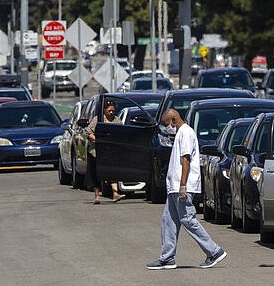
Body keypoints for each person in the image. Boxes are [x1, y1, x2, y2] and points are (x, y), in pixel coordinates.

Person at [146, 108, 227, 270]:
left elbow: (186, 160)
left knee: (188, 219)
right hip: (174, 187)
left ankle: (214, 251)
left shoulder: (186, 133)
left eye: (166, 124)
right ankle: (167, 257)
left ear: (173, 120)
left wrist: (183, 185)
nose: (165, 128)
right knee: (168, 221)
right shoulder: (180, 133)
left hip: (182, 186)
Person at [86, 100, 126, 205]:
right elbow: (89, 132)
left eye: (113, 110)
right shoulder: (98, 120)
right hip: (96, 151)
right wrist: (98, 141)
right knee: (95, 174)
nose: (111, 112)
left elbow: (122, 133)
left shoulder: (117, 120)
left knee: (112, 171)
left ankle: (115, 193)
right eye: (109, 110)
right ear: (104, 110)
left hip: (110, 152)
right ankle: (97, 196)